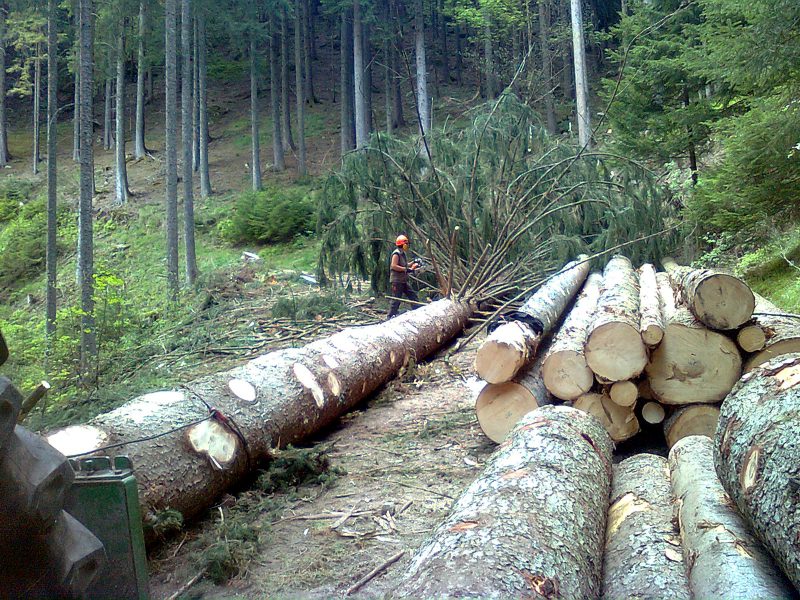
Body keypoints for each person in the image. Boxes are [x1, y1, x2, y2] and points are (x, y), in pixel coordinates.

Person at [387, 234, 419, 319]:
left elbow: (405, 264)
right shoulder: (396, 254)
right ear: (402, 244)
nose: (407, 245)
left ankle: (418, 310)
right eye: (406, 244)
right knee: (396, 299)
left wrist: (413, 263)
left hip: (403, 280)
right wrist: (406, 269)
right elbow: (393, 266)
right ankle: (390, 317)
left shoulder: (402, 253)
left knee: (412, 295)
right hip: (397, 281)